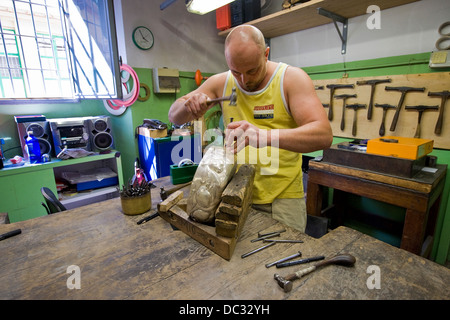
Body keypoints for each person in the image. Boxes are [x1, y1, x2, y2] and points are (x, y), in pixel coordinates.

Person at [168, 25, 332, 232]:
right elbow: (173, 116)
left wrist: (264, 136)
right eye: (236, 72)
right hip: (233, 195)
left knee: (283, 259)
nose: (244, 81)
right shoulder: (221, 82)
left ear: (266, 54)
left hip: (281, 200)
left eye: (252, 71)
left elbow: (323, 135)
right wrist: (189, 105)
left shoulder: (291, 79)